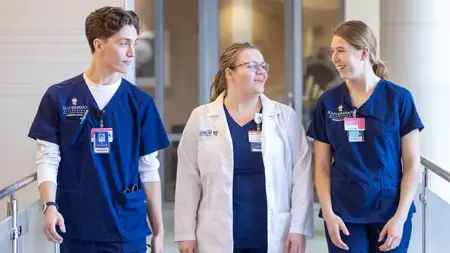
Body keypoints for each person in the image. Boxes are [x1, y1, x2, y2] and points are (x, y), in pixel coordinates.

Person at [27, 6, 169, 253]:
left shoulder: (140, 103)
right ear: (99, 45)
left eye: (134, 43)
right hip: (76, 224)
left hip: (126, 226)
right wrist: (49, 205)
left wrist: (159, 230)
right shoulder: (59, 96)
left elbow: (148, 168)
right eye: (124, 43)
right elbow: (48, 158)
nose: (132, 52)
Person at [174, 42, 314, 253]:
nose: (261, 72)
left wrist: (299, 228)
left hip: (274, 232)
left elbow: (301, 175)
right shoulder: (201, 117)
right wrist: (185, 233)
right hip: (215, 234)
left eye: (263, 66)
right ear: (230, 73)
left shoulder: (285, 117)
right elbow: (188, 178)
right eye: (252, 66)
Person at [306, 20, 424, 252]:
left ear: (363, 53)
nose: (334, 58)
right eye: (332, 51)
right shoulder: (328, 102)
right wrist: (328, 214)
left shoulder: (399, 99)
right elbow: (321, 166)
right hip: (344, 215)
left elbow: (412, 165)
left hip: (390, 212)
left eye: (341, 51)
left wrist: (400, 218)